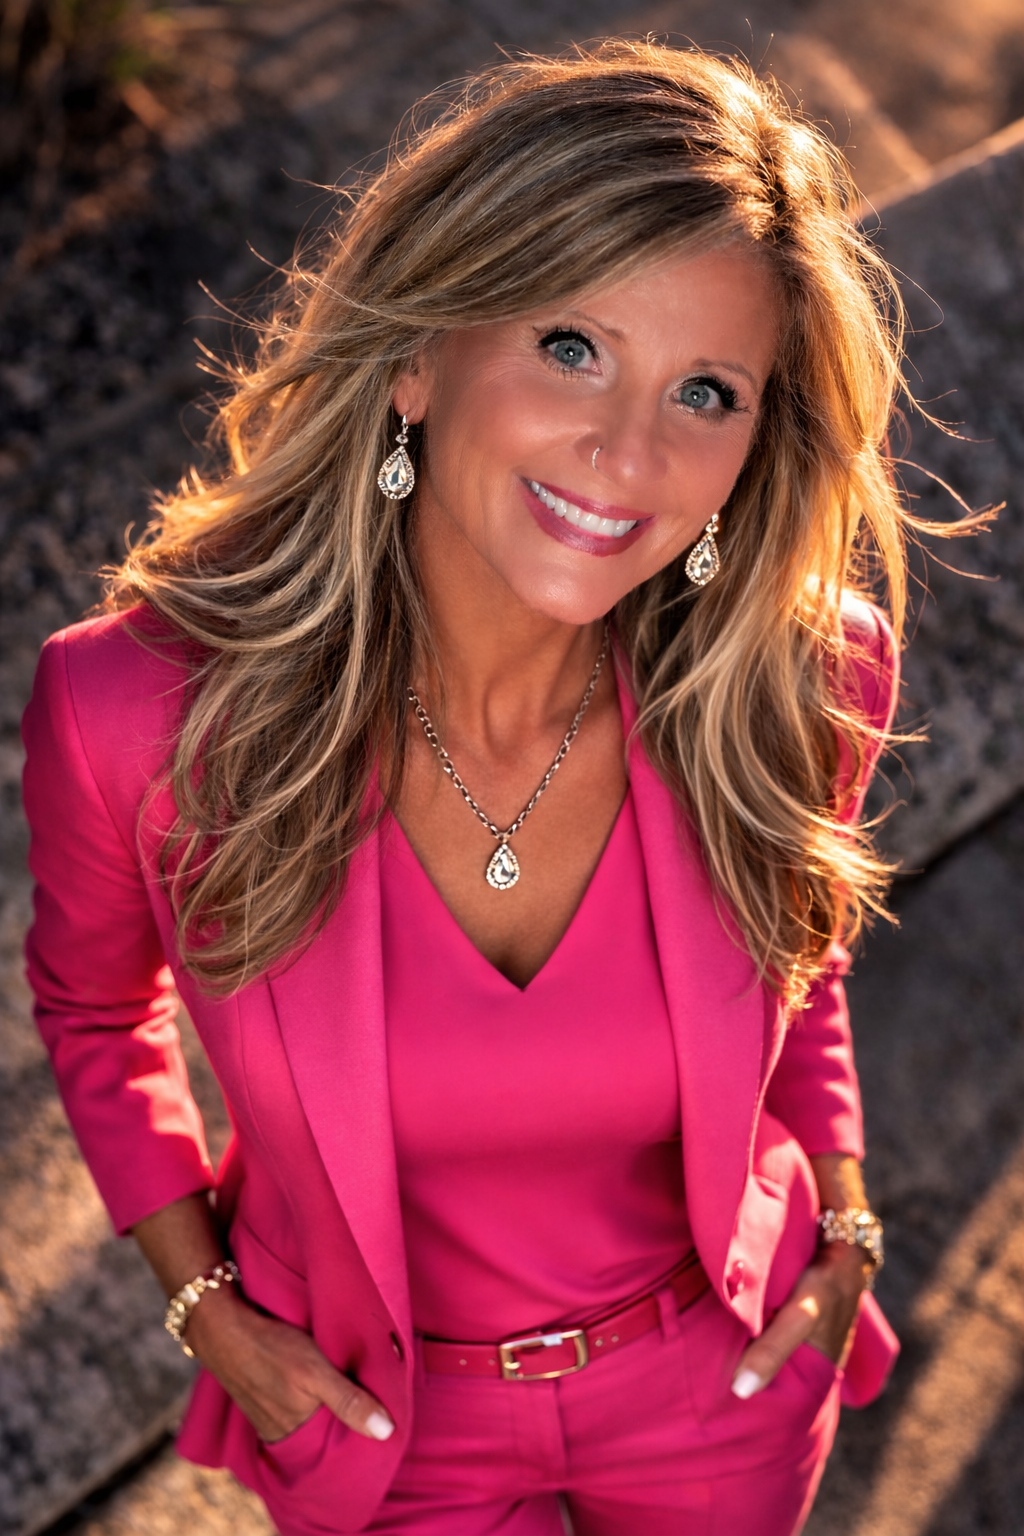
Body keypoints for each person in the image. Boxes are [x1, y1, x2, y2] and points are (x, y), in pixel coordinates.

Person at [22, 40, 912, 1536]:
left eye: (708, 390)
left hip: (721, 1390)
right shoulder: (136, 715)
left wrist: (843, 1211)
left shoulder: (798, 677)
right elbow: (97, 1013)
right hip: (383, 1425)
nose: (628, 452)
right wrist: (210, 1316)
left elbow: (796, 948)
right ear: (418, 357)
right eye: (572, 346)